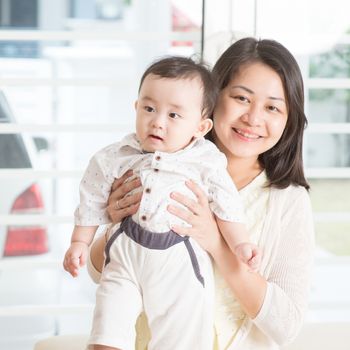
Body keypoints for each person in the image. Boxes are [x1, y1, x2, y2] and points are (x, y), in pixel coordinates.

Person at [87, 37, 315, 350]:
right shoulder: (151, 165)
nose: (253, 118)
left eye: (273, 107)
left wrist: (218, 244)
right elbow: (98, 271)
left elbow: (285, 325)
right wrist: (116, 222)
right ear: (211, 99)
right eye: (241, 98)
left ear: (288, 120)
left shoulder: (287, 201)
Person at [63, 56, 261, 350]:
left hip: (177, 260)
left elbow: (226, 204)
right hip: (124, 256)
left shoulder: (204, 162)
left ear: (201, 126)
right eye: (149, 108)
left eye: (174, 115)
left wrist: (241, 244)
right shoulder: (115, 156)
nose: (157, 121)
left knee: (179, 335)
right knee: (107, 330)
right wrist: (80, 242)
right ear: (136, 107)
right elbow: (91, 196)